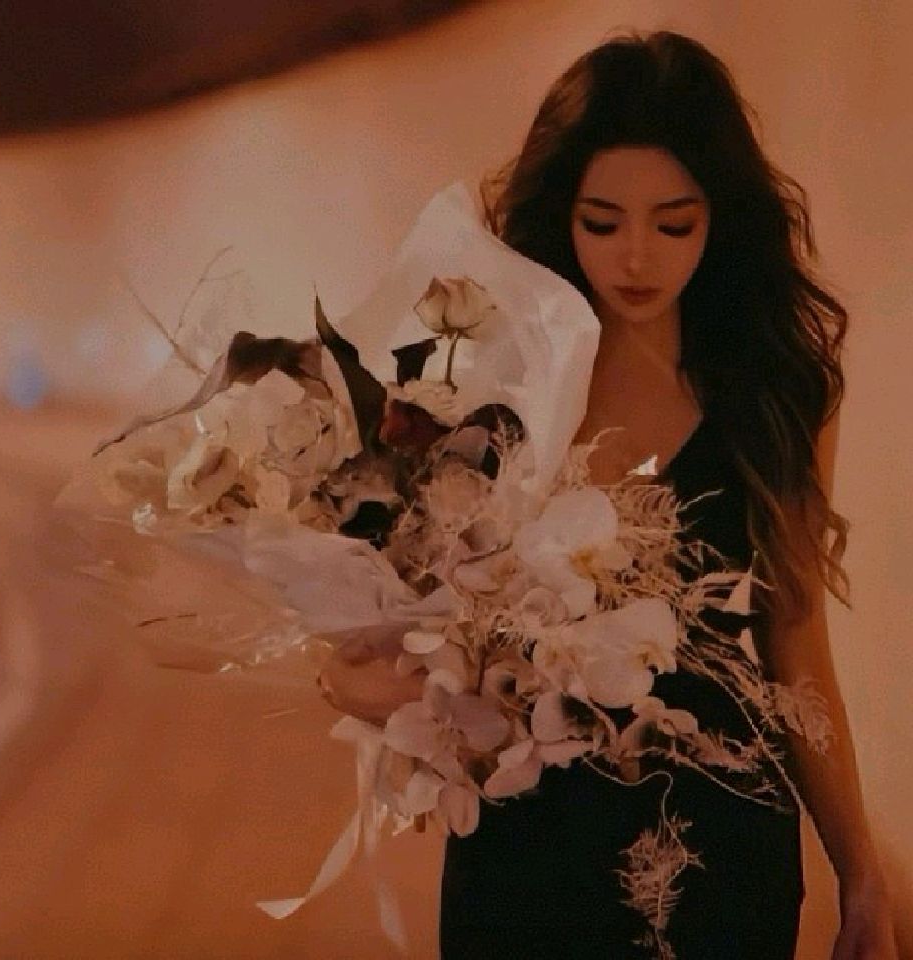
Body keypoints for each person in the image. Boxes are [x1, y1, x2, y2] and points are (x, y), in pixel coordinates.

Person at [319, 30, 896, 959]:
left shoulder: (779, 391)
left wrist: (861, 873)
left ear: (720, 217)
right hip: (525, 844)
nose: (637, 258)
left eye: (674, 224)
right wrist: (366, 680)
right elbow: (388, 619)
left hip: (719, 840)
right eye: (602, 221)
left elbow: (795, 641)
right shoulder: (483, 382)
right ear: (563, 215)